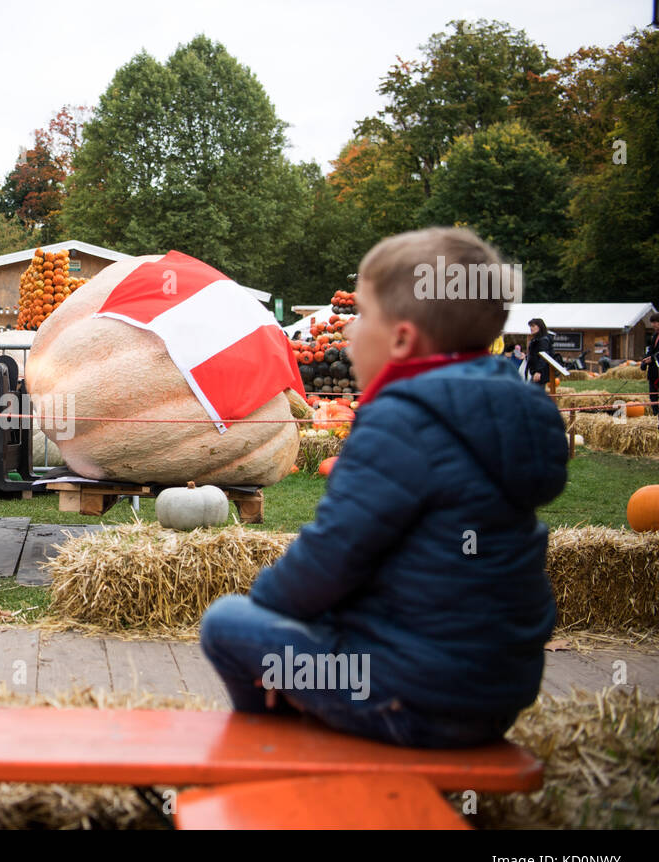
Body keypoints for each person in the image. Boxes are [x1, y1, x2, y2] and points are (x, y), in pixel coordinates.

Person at [199, 227, 569, 749]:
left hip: (404, 695)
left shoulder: (403, 421)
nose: (349, 334)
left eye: (363, 317)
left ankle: (279, 755)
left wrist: (268, 605)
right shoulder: (510, 413)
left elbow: (331, 558)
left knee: (229, 624)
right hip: (493, 698)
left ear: (400, 339)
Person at [639, 312, 659, 417]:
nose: (653, 325)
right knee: (652, 391)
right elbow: (651, 350)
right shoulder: (655, 335)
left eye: (655, 322)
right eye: (652, 323)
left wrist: (653, 358)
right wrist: (645, 360)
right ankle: (655, 413)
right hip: (653, 369)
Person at [525, 318, 557, 386]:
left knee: (534, 393)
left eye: (533, 326)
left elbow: (544, 357)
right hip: (535, 371)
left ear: (540, 326)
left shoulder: (543, 340)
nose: (531, 328)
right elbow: (534, 355)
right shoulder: (536, 339)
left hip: (541, 373)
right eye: (530, 326)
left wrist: (539, 371)